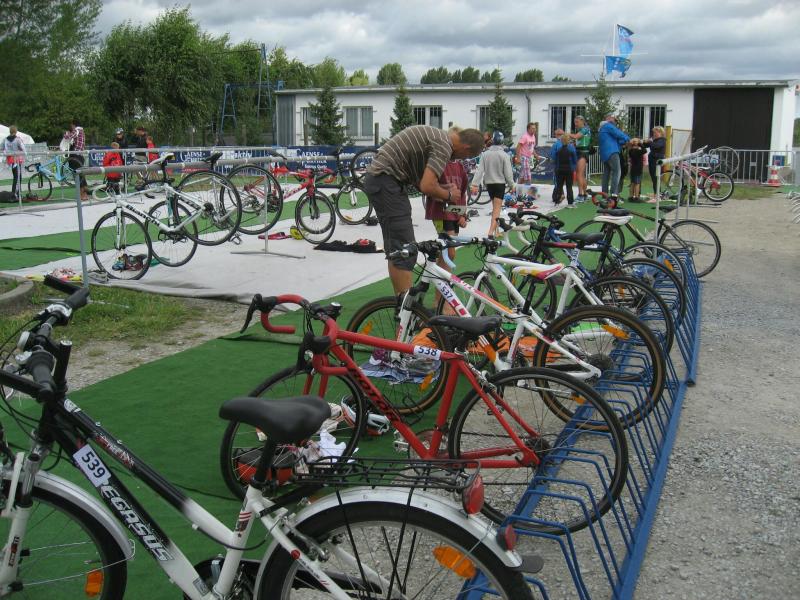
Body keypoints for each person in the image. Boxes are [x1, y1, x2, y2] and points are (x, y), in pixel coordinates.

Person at [363, 124, 484, 296]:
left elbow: (423, 183)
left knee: (401, 249)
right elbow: (427, 186)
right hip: (386, 180)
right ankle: (405, 308)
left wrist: (442, 190)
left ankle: (403, 305)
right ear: (466, 148)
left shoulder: (439, 138)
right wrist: (449, 194)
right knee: (404, 250)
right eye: (468, 156)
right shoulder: (444, 145)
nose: (463, 159)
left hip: (386, 180)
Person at [471, 131, 515, 238]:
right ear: (502, 141)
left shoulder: (485, 154)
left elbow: (479, 171)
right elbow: (508, 173)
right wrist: (512, 185)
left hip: (489, 185)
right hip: (499, 184)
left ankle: (496, 231)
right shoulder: (504, 155)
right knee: (497, 210)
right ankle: (491, 232)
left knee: (495, 207)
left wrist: (475, 184)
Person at [598, 114, 630, 199]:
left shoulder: (602, 128)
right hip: (612, 151)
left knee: (606, 173)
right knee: (617, 172)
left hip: (604, 153)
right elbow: (618, 134)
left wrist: (623, 141)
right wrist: (628, 139)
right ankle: (614, 194)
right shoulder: (608, 126)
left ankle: (604, 194)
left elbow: (617, 140)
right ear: (609, 118)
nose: (616, 122)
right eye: (615, 120)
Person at [550, 133, 578, 208]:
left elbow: (553, 158)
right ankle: (570, 203)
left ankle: (556, 202)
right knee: (569, 187)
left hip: (559, 170)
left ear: (561, 141)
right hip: (569, 170)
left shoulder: (558, 149)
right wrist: (574, 168)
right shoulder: (572, 148)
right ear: (569, 140)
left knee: (559, 186)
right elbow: (575, 160)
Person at [63, 119, 88, 200]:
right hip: (80, 156)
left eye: (71, 125)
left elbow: (68, 137)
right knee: (81, 175)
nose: (71, 127)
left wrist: (66, 133)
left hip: (75, 155)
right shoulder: (82, 131)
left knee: (77, 175)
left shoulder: (77, 130)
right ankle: (85, 193)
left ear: (74, 125)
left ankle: (82, 195)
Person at [569, 115, 592, 202]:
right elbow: (579, 140)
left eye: (577, 122)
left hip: (583, 153)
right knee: (581, 175)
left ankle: (580, 195)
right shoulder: (582, 130)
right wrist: (574, 144)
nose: (575, 124)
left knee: (579, 174)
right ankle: (584, 194)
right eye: (574, 122)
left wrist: (564, 133)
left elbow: (576, 136)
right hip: (580, 152)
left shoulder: (585, 129)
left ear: (582, 121)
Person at [643, 126, 667, 197]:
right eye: (653, 133)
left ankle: (657, 195)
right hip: (652, 161)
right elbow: (646, 145)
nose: (654, 134)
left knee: (656, 177)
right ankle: (656, 193)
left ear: (660, 132)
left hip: (657, 161)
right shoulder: (655, 140)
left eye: (655, 132)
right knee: (654, 178)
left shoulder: (662, 140)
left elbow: (656, 146)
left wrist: (650, 142)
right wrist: (641, 142)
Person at [3, 125, 26, 200]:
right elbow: (23, 149)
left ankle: (16, 194)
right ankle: (15, 195)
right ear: (15, 131)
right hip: (17, 160)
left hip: (10, 160)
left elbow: (2, 148)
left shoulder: (5, 139)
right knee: (18, 177)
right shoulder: (18, 139)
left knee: (16, 177)